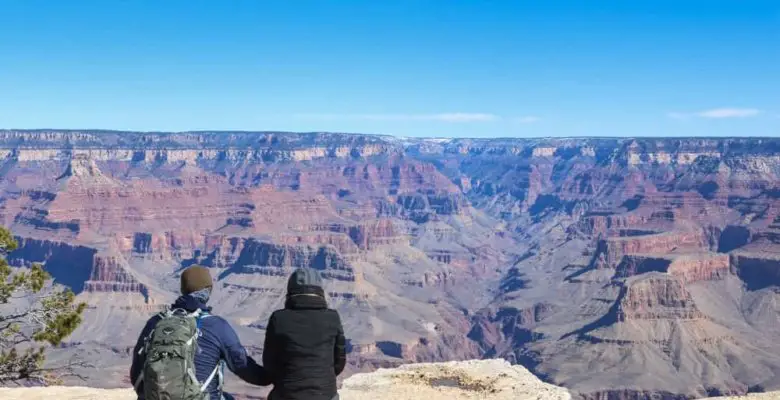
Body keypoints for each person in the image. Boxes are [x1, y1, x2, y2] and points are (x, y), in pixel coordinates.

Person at [130, 265, 271, 400]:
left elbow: (136, 374)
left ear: (183, 289)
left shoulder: (156, 322)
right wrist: (271, 377)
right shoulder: (217, 326)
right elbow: (242, 366)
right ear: (208, 290)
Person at [263, 267, 347, 400]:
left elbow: (269, 363)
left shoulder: (278, 319)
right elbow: (339, 362)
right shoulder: (333, 317)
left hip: (287, 395)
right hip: (325, 395)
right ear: (320, 292)